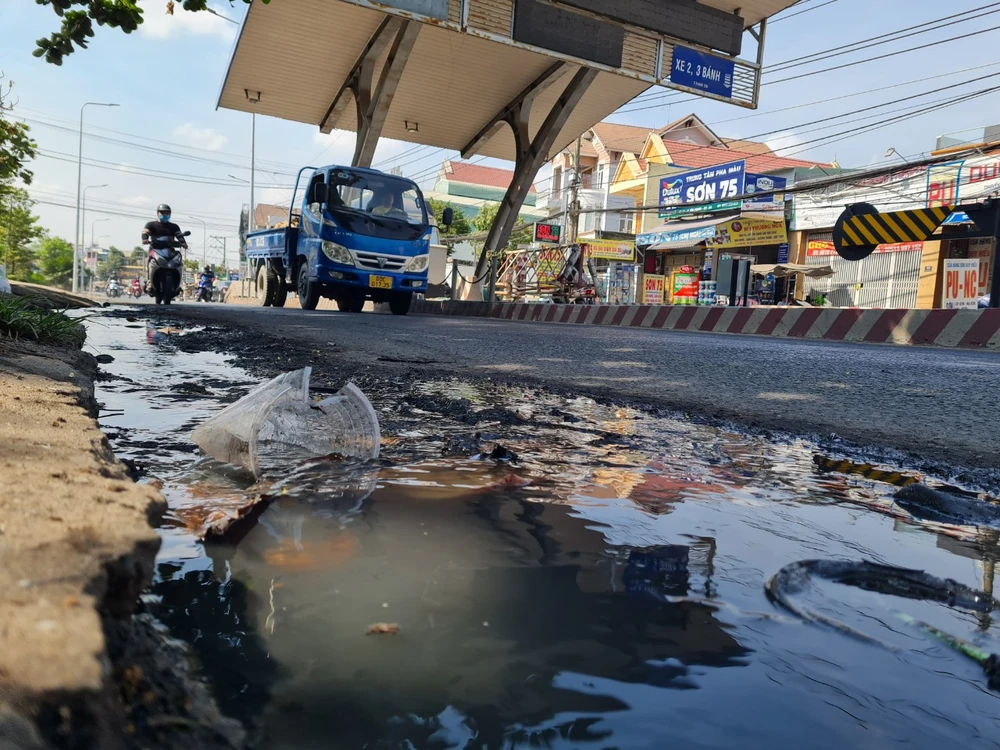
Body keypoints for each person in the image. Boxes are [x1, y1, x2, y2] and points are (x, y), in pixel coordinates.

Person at [141, 204, 187, 292]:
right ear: (158, 213)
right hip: (155, 249)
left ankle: (177, 283)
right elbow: (145, 232)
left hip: (169, 250)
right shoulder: (151, 225)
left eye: (167, 213)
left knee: (179, 262)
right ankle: (149, 282)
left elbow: (179, 236)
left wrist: (183, 243)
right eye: (163, 212)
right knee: (149, 262)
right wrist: (145, 239)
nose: (165, 214)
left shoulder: (174, 226)